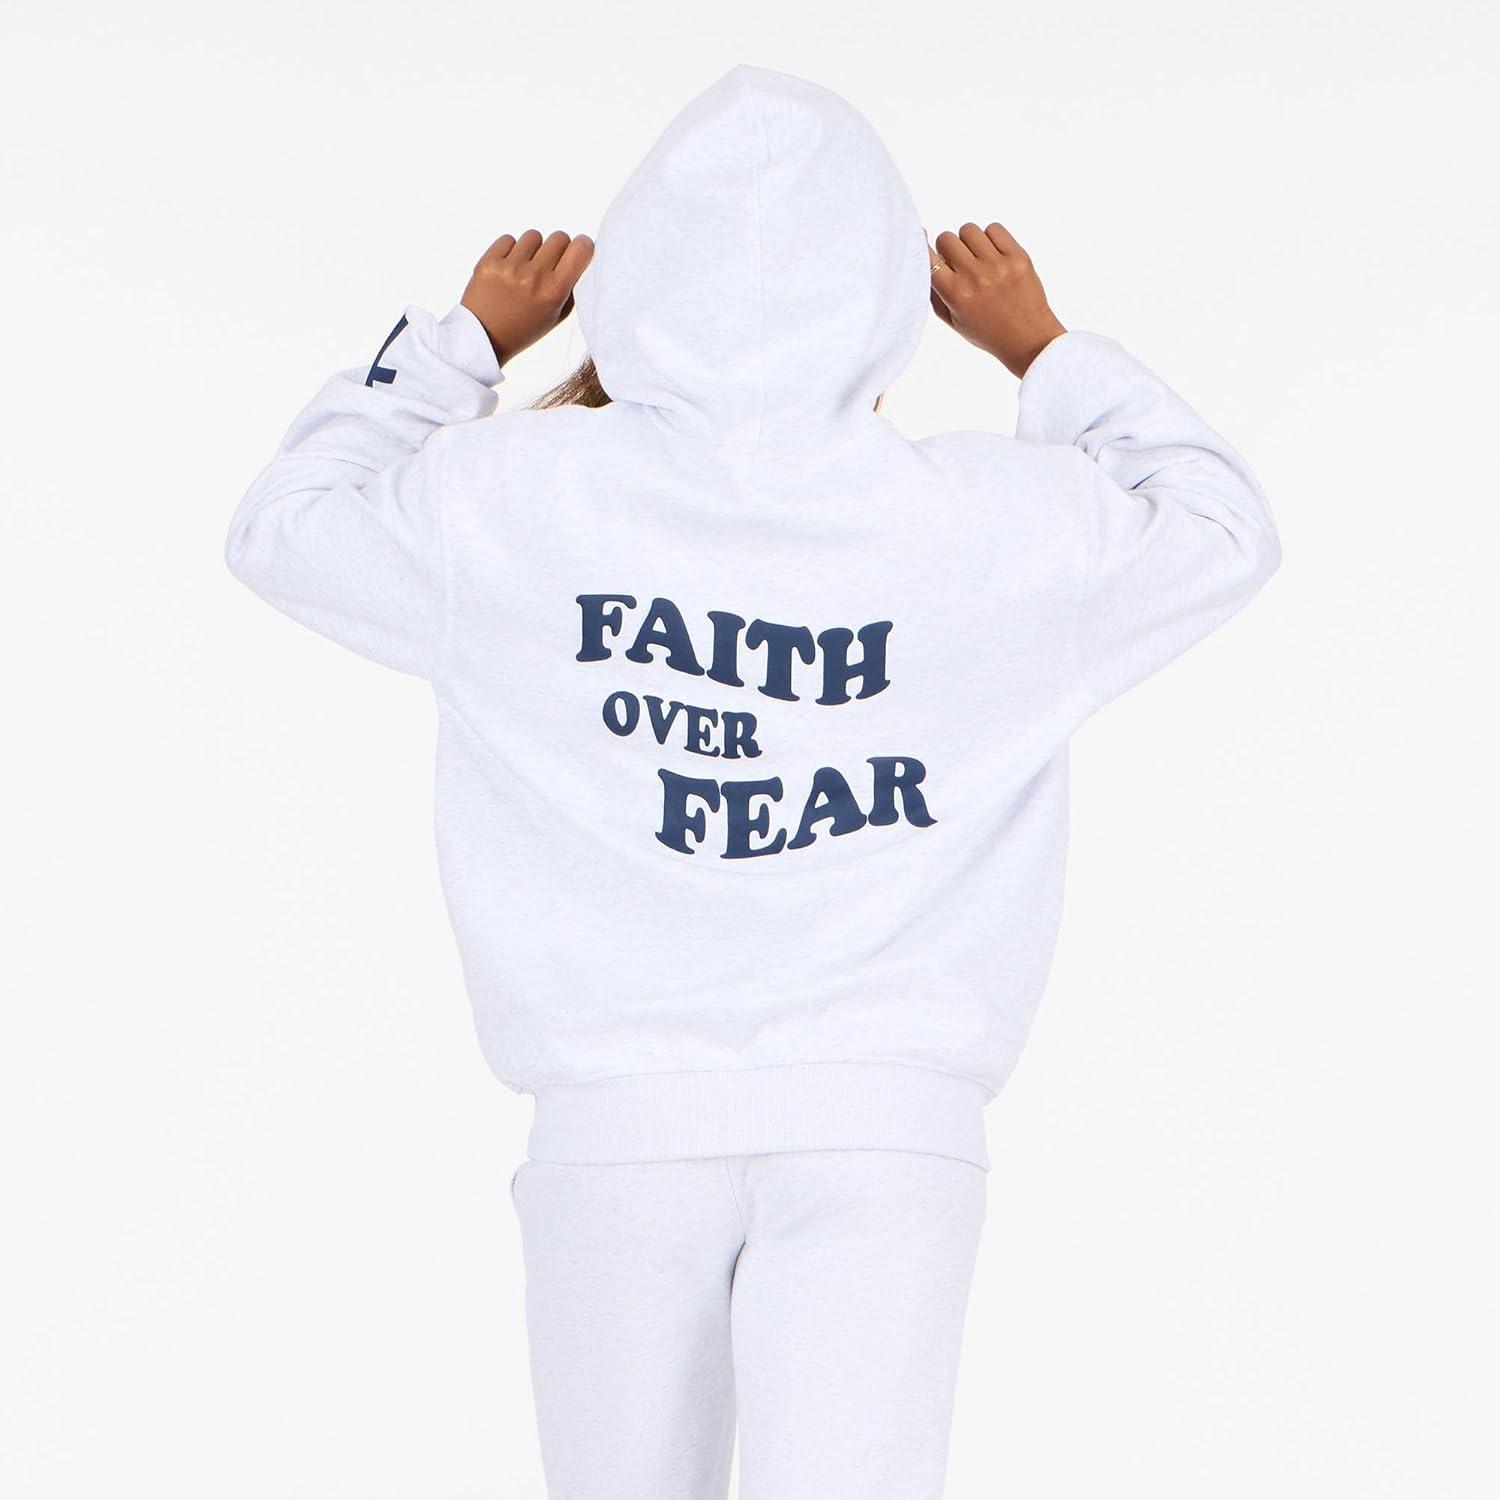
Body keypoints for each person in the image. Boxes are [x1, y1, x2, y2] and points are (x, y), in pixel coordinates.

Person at [227, 63, 1279, 1500]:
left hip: (611, 1131)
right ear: (884, 301)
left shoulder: (509, 498)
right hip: (886, 1129)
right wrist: (1046, 351)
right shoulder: (994, 525)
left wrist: (460, 345)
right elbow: (1221, 526)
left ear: (628, 291)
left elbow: (285, 528)